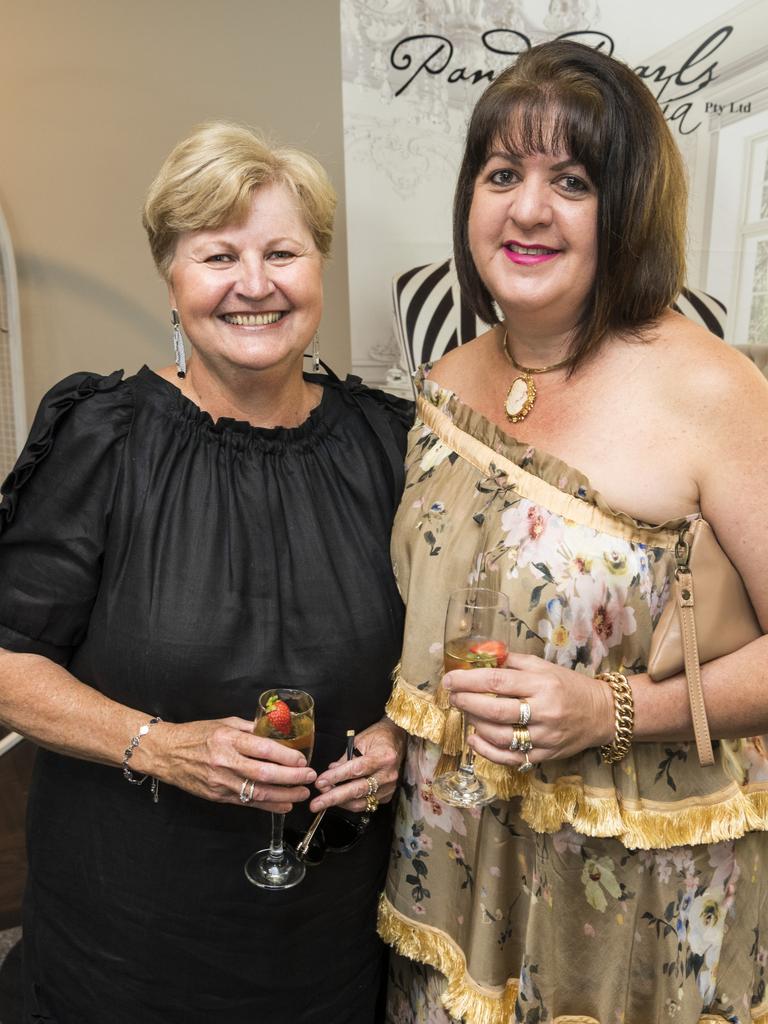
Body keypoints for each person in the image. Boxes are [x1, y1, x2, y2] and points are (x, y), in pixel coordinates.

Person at [379, 40, 768, 1023]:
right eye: (503, 173)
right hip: (461, 868)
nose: (528, 208)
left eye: (573, 180)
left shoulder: (711, 388)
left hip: (639, 896)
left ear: (627, 208)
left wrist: (614, 709)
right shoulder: (441, 386)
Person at [0, 121, 413, 1023]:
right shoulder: (104, 439)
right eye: (218, 255)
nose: (255, 285)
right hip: (132, 940)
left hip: (330, 940)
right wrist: (156, 745)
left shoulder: (391, 445)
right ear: (172, 277)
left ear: (319, 267)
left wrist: (401, 736)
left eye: (283, 252)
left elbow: (443, 654)